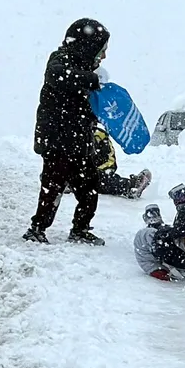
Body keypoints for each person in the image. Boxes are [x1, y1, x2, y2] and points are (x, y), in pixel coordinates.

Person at [24, 18, 110, 245]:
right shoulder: (60, 60)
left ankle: (80, 229)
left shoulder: (86, 68)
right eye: (101, 50)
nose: (103, 56)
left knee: (89, 186)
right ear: (87, 45)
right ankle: (37, 228)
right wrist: (92, 80)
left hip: (80, 140)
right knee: (53, 187)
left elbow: (86, 105)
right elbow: (57, 75)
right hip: (56, 139)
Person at [91, 125, 152, 199]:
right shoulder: (74, 136)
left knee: (101, 180)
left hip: (98, 173)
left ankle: (132, 186)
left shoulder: (99, 135)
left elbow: (110, 160)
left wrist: (95, 171)